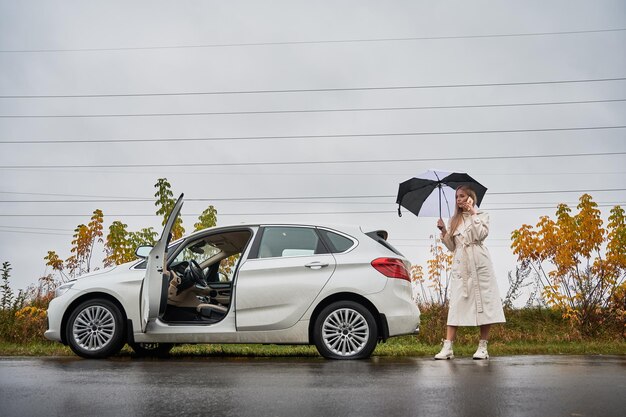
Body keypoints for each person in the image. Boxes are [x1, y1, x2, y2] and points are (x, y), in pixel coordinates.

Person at [434, 185, 505, 360]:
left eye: (462, 196)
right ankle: (448, 347)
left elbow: (480, 234)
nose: (458, 199)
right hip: (461, 265)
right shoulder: (454, 221)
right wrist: (444, 230)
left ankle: (483, 347)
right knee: (456, 304)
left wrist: (472, 212)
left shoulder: (481, 215)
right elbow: (452, 247)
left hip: (480, 263)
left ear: (470, 198)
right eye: (457, 197)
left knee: (485, 303)